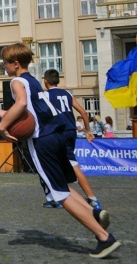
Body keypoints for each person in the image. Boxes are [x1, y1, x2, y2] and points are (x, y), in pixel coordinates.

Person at [0, 44, 120, 259]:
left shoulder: (15, 81)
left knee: (57, 193)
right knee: (62, 184)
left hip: (41, 140)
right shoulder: (32, 81)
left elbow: (21, 105)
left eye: (5, 63)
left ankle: (104, 238)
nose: (3, 66)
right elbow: (20, 111)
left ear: (15, 64)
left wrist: (3, 126)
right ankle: (94, 213)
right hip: (56, 135)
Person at [42, 69, 103, 210]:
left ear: (45, 81)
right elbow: (83, 112)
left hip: (58, 132)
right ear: (58, 80)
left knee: (57, 164)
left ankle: (91, 198)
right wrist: (88, 131)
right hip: (71, 131)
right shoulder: (67, 94)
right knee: (66, 163)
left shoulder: (45, 95)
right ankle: (57, 196)